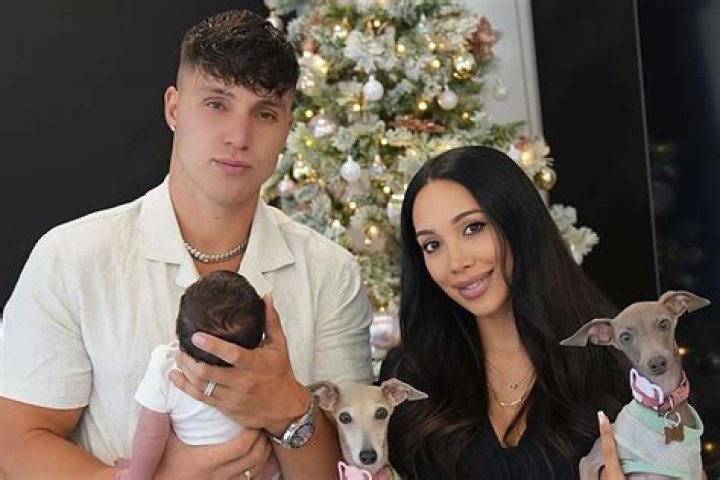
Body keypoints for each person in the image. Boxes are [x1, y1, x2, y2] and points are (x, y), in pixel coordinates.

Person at [0, 9, 372, 480]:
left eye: (264, 113)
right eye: (217, 103)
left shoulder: (331, 273)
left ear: (287, 127)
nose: (239, 137)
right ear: (174, 109)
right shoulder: (71, 259)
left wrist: (288, 408)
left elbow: (353, 465)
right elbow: (14, 443)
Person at [379, 145, 631, 479]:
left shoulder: (616, 360)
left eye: (473, 227)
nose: (457, 263)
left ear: (518, 221)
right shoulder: (410, 377)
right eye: (432, 245)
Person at [120, 270, 267, 479]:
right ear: (259, 341)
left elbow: (150, 434)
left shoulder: (166, 366)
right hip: (247, 468)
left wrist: (136, 473)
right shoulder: (262, 374)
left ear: (180, 332)